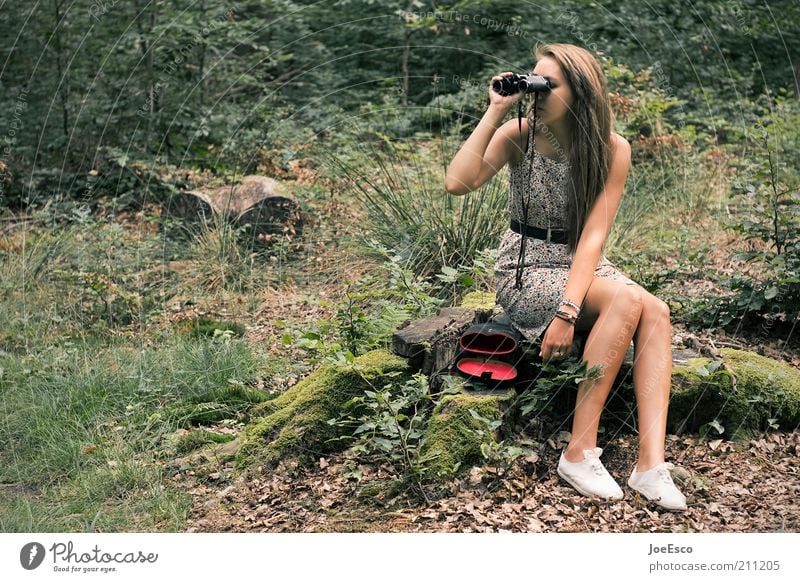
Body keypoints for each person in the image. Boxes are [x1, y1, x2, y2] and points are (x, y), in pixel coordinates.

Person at [444, 42, 687, 511]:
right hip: (527, 265)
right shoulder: (518, 134)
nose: (536, 90)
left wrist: (569, 309)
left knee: (655, 309)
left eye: (548, 84)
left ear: (580, 92)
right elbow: (457, 182)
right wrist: (495, 110)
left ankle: (650, 466)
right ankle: (578, 452)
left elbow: (594, 237)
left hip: (580, 259)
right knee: (628, 302)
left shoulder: (613, 149)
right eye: (533, 80)